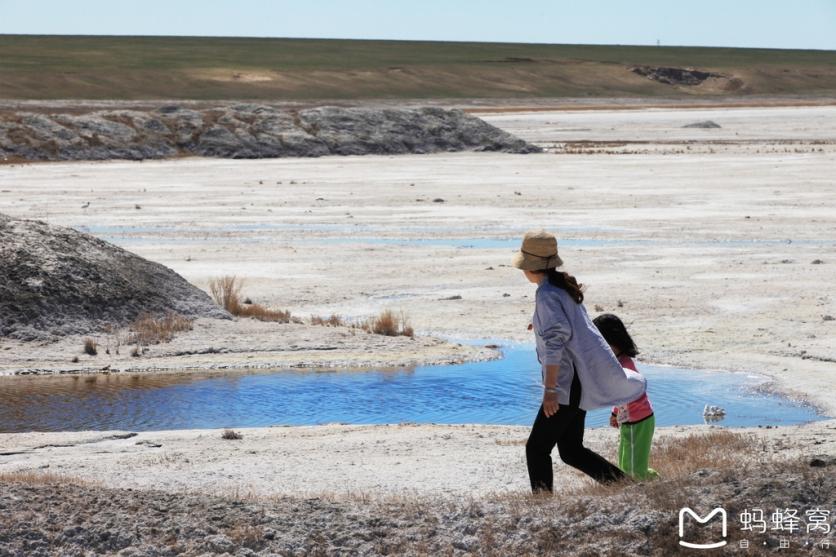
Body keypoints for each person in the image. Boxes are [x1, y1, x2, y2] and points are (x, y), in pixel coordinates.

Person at [512, 230, 647, 492]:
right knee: (571, 450)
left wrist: (551, 391)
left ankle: (542, 508)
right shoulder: (559, 288)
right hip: (579, 381)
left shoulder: (547, 294)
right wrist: (539, 323)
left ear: (531, 267)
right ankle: (628, 488)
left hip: (566, 384)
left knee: (536, 449)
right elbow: (568, 326)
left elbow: (556, 345)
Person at [593, 313, 659, 481]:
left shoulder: (625, 364)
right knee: (624, 462)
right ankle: (648, 480)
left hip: (640, 420)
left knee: (634, 467)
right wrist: (615, 413)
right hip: (628, 421)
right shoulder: (616, 362)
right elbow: (619, 395)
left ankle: (656, 481)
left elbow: (626, 392)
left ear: (611, 341)